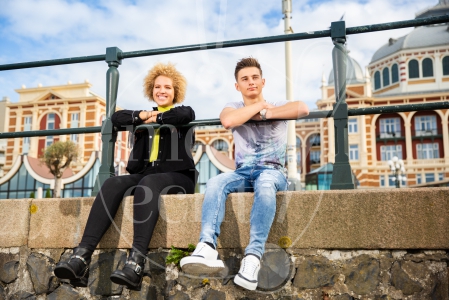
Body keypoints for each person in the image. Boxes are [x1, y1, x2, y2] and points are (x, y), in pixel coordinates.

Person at [54, 63, 197, 291]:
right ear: (151, 89)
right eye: (157, 86)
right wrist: (144, 116)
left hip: (178, 177)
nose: (162, 90)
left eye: (167, 87)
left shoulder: (182, 117)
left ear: (175, 91)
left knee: (148, 184)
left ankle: (136, 263)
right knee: (113, 182)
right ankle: (81, 257)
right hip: (144, 175)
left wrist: (157, 119)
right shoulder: (141, 117)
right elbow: (117, 118)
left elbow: (185, 113)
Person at [180, 57, 309, 291]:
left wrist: (268, 113)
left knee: (266, 185)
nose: (251, 82)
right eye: (245, 79)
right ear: (237, 85)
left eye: (255, 78)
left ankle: (252, 258)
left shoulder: (278, 103)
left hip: (273, 171)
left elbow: (303, 108)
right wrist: (259, 108)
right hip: (243, 172)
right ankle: (207, 246)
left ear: (263, 81)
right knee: (216, 182)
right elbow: (228, 120)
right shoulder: (234, 106)